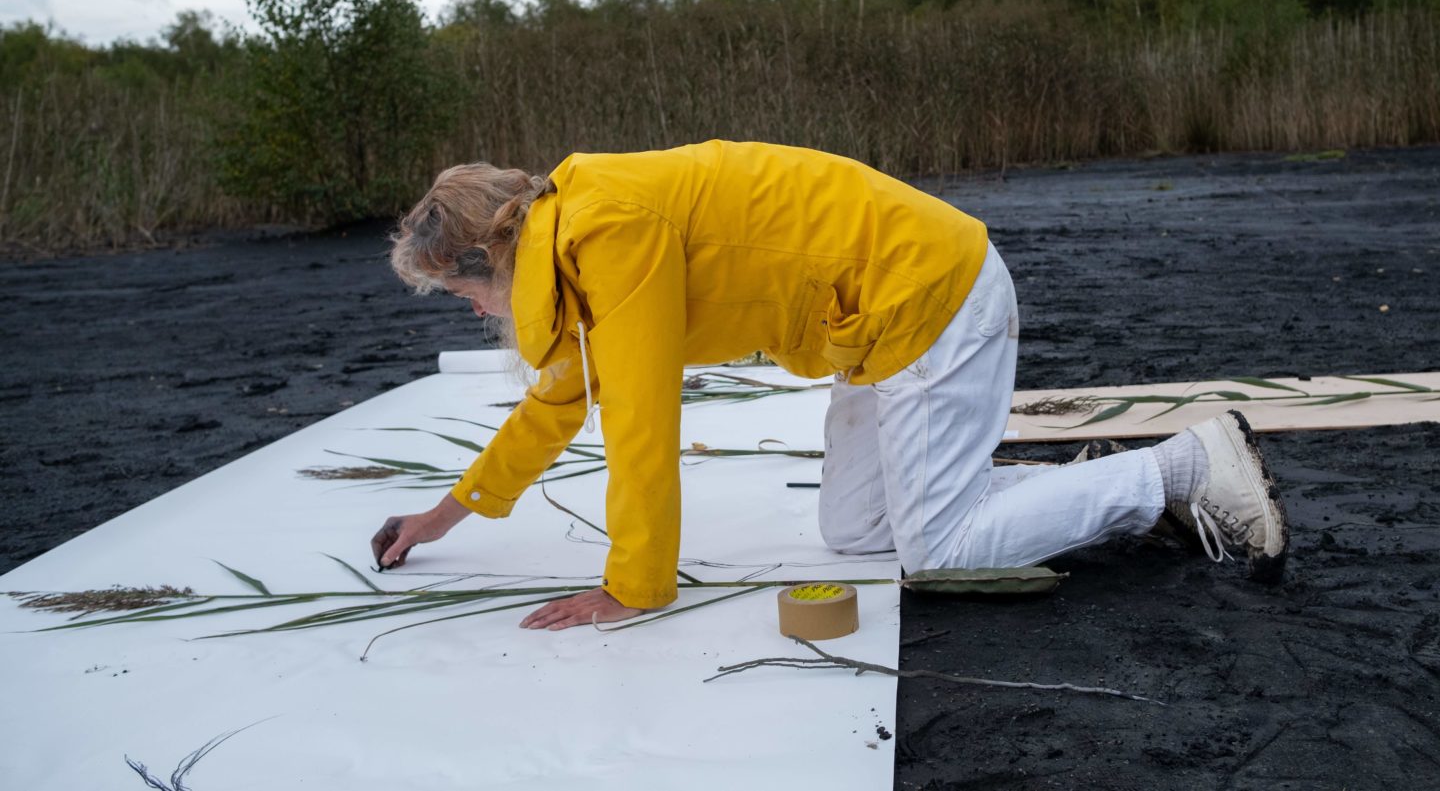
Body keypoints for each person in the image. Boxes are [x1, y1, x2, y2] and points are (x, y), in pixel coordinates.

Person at [371, 140, 1289, 630]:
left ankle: (1181, 468)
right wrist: (442, 517)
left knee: (941, 551)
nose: (476, 314)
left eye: (462, 293)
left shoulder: (609, 234)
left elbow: (641, 423)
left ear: (490, 254)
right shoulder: (575, 241)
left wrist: (634, 586)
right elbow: (558, 400)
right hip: (875, 325)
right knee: (855, 530)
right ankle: (1073, 488)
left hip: (930, 294)